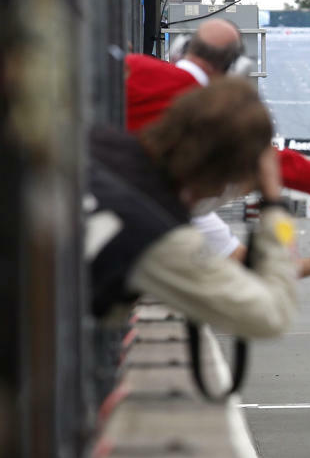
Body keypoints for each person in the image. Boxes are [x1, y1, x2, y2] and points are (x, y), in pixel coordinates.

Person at [125, 19, 310, 267]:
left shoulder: (131, 66)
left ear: (182, 49)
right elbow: (284, 166)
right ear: (235, 68)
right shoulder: (217, 117)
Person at [87, 78, 296, 338]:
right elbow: (272, 316)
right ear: (232, 172)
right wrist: (275, 206)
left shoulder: (95, 141)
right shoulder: (162, 236)